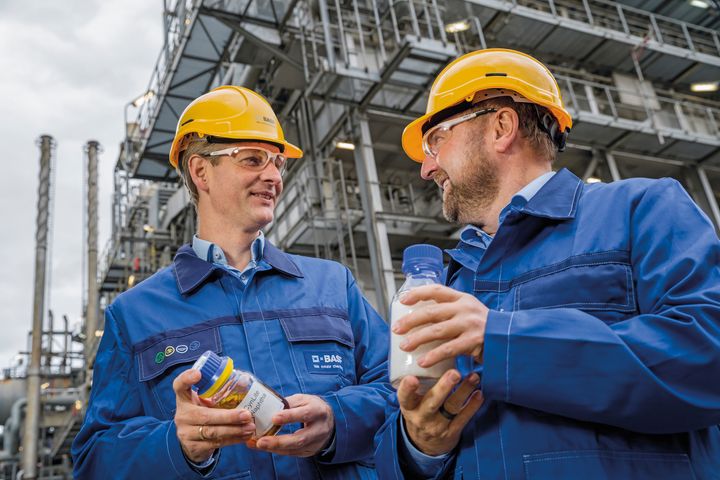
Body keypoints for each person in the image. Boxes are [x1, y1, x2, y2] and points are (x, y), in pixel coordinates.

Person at [374, 48, 720, 479]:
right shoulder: (455, 281)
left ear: (501, 126)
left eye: (435, 140)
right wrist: (420, 446)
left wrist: (502, 339)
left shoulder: (640, 209)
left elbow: (706, 358)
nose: (426, 168)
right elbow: (402, 429)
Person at [72, 85, 392, 479]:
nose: (273, 176)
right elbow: (94, 460)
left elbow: (402, 393)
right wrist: (179, 446)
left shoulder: (333, 285)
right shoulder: (134, 314)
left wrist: (337, 420)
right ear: (201, 171)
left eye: (277, 162)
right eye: (253, 159)